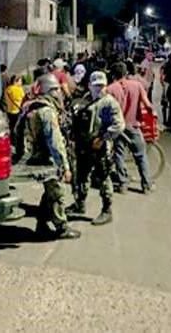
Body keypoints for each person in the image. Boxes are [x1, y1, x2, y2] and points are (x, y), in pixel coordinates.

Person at [22, 74, 80, 239]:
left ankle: (42, 224)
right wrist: (64, 166)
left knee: (49, 192)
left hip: (33, 156)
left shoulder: (31, 106)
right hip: (47, 158)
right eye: (57, 90)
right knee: (57, 192)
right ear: (51, 90)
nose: (60, 93)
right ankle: (61, 227)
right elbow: (55, 142)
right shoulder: (47, 111)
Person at [66, 71, 125, 225]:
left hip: (100, 147)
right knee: (81, 176)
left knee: (103, 178)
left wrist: (103, 138)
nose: (99, 89)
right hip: (83, 146)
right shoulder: (85, 100)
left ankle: (107, 210)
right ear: (89, 86)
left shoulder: (109, 102)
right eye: (96, 86)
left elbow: (119, 125)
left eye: (101, 86)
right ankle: (80, 204)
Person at [107, 62, 154, 194]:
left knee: (119, 155)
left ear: (113, 75)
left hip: (118, 127)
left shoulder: (110, 89)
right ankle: (146, 185)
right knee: (141, 156)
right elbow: (148, 105)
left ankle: (123, 185)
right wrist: (152, 117)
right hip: (133, 126)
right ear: (126, 73)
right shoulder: (137, 85)